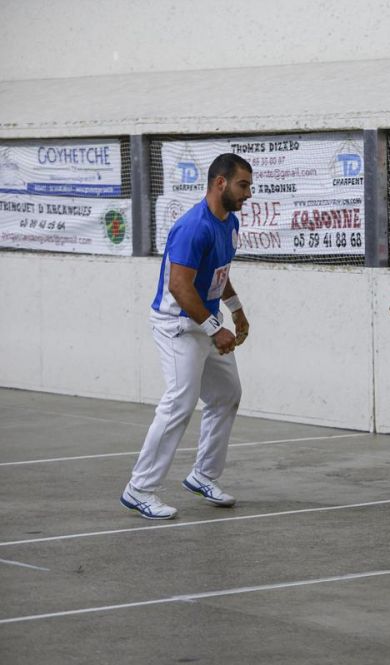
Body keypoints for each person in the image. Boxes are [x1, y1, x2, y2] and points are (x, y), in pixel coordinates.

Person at [120, 153, 253, 520]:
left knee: (227, 394)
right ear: (220, 183)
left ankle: (203, 475)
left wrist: (237, 309)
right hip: (177, 326)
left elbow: (219, 273)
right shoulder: (194, 226)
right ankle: (139, 489)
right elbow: (180, 287)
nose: (249, 193)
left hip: (206, 322)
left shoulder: (229, 223)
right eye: (243, 185)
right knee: (180, 401)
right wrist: (216, 328)